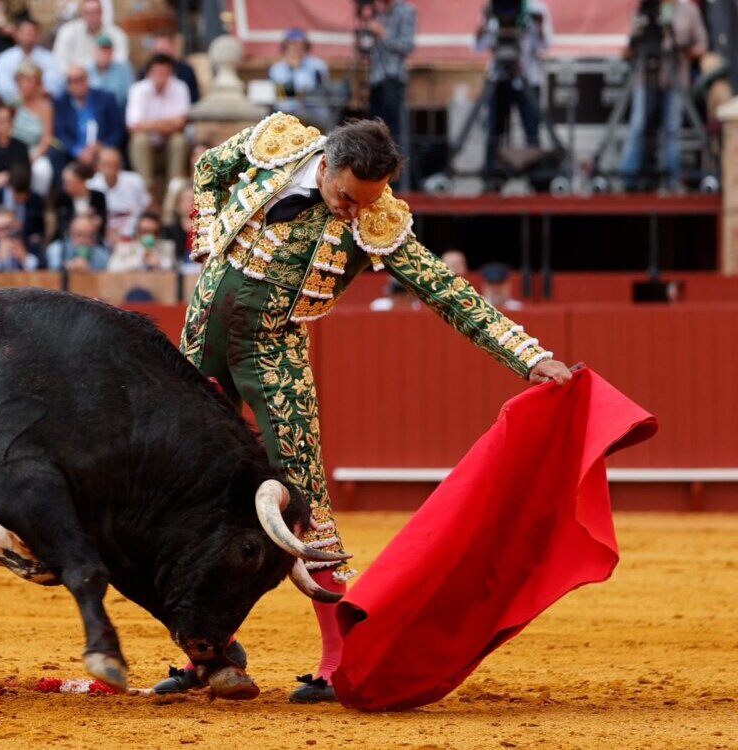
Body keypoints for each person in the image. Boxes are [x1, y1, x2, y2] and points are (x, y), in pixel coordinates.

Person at [167, 114, 572, 703]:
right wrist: (203, 236)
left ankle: (338, 658)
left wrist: (527, 355)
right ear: (325, 164)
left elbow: (446, 290)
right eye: (346, 197)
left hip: (274, 355)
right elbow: (209, 167)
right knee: (190, 494)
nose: (353, 212)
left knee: (305, 500)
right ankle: (206, 650)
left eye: (367, 202)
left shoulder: (376, 220)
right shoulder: (277, 143)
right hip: (201, 340)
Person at [619, 0, 707, 192]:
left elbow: (702, 46)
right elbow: (632, 44)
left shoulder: (689, 10)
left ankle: (671, 179)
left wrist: (683, 50)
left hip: (675, 78)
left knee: (672, 128)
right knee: (638, 124)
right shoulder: (646, 8)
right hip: (646, 77)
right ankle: (628, 178)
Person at [475, 3, 549, 190]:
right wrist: (483, 27)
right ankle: (491, 178)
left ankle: (537, 179)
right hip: (499, 77)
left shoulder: (535, 9)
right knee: (494, 130)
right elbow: (478, 46)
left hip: (528, 78)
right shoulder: (493, 8)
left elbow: (546, 44)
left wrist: (539, 26)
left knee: (532, 130)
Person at [126, 54, 191, 191]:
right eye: (158, 73)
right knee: (140, 140)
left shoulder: (180, 87)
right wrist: (168, 124)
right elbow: (133, 126)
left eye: (166, 73)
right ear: (149, 73)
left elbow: (180, 124)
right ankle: (146, 189)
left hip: (168, 147)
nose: (162, 77)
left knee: (178, 140)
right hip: (148, 147)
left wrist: (149, 125)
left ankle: (174, 189)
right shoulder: (138, 89)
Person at [362, 0, 416, 147]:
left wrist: (383, 34)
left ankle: (395, 167)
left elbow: (407, 44)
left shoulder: (406, 11)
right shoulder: (378, 13)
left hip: (393, 76)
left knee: (393, 130)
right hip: (375, 77)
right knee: (374, 128)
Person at [55, 65, 123, 167]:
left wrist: (102, 146)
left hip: (102, 151)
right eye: (73, 81)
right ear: (68, 85)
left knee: (109, 158)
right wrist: (78, 151)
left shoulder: (106, 98)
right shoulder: (62, 102)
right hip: (75, 155)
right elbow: (60, 133)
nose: (78, 84)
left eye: (81, 79)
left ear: (87, 80)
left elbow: (118, 131)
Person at [10, 62, 60, 195]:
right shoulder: (12, 104)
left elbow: (47, 138)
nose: (28, 85)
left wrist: (34, 156)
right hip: (14, 151)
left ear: (38, 84)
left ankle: (37, 203)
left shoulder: (46, 107)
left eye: (32, 81)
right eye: (24, 81)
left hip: (35, 152)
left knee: (42, 170)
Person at [0, 18, 63, 104]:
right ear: (16, 35)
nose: (28, 37)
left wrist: (36, 95)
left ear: (38, 36)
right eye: (24, 33)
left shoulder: (49, 58)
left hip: (42, 103)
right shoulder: (3, 59)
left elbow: (55, 85)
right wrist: (23, 96)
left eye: (31, 33)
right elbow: (3, 87)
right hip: (14, 105)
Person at [269, 30, 331, 128]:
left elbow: (308, 88)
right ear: (285, 48)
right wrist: (292, 69)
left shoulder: (318, 65)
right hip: (285, 115)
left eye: (300, 46)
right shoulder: (277, 68)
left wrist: (296, 69)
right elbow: (281, 93)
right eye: (291, 45)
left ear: (306, 47)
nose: (295, 49)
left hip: (313, 114)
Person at [87, 145, 149, 242]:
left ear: (121, 165)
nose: (111, 168)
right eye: (106, 164)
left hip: (133, 236)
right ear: (98, 166)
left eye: (115, 164)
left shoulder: (135, 181)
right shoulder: (91, 186)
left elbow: (146, 207)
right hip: (102, 239)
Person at [52, 0, 128, 71]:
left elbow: (121, 61)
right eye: (88, 13)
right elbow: (60, 62)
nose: (92, 17)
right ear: (81, 14)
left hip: (107, 78)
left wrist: (104, 63)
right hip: (76, 80)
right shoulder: (68, 31)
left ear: (102, 13)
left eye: (96, 12)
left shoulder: (116, 34)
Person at [0, 162, 44, 247]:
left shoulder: (36, 200)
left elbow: (40, 230)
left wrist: (35, 237)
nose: (21, 199)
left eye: (24, 196)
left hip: (24, 245)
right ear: (10, 187)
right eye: (17, 195)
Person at [138, 32, 198, 103]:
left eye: (164, 50)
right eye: (158, 50)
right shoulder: (144, 71)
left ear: (173, 48)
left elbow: (194, 98)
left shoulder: (186, 71)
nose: (161, 55)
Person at [54, 161, 105, 242]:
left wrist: (96, 222)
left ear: (82, 181)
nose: (65, 187)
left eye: (69, 183)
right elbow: (61, 225)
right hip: (69, 241)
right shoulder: (62, 199)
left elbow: (102, 221)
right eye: (64, 182)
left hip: (93, 240)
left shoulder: (98, 197)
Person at [107, 211, 174, 272]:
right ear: (138, 232)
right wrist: (139, 259)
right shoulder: (124, 247)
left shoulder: (167, 247)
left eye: (154, 232)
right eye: (144, 231)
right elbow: (112, 268)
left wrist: (159, 263)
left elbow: (175, 269)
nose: (149, 236)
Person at [0, 204, 39, 271]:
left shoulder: (31, 244)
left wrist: (25, 258)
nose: (2, 234)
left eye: (7, 228)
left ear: (18, 225)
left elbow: (44, 268)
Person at [86, 33, 133, 111]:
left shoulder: (124, 68)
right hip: (95, 112)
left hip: (119, 110)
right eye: (101, 51)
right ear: (94, 52)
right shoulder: (87, 69)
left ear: (112, 53)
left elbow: (129, 94)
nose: (105, 55)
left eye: (108, 51)